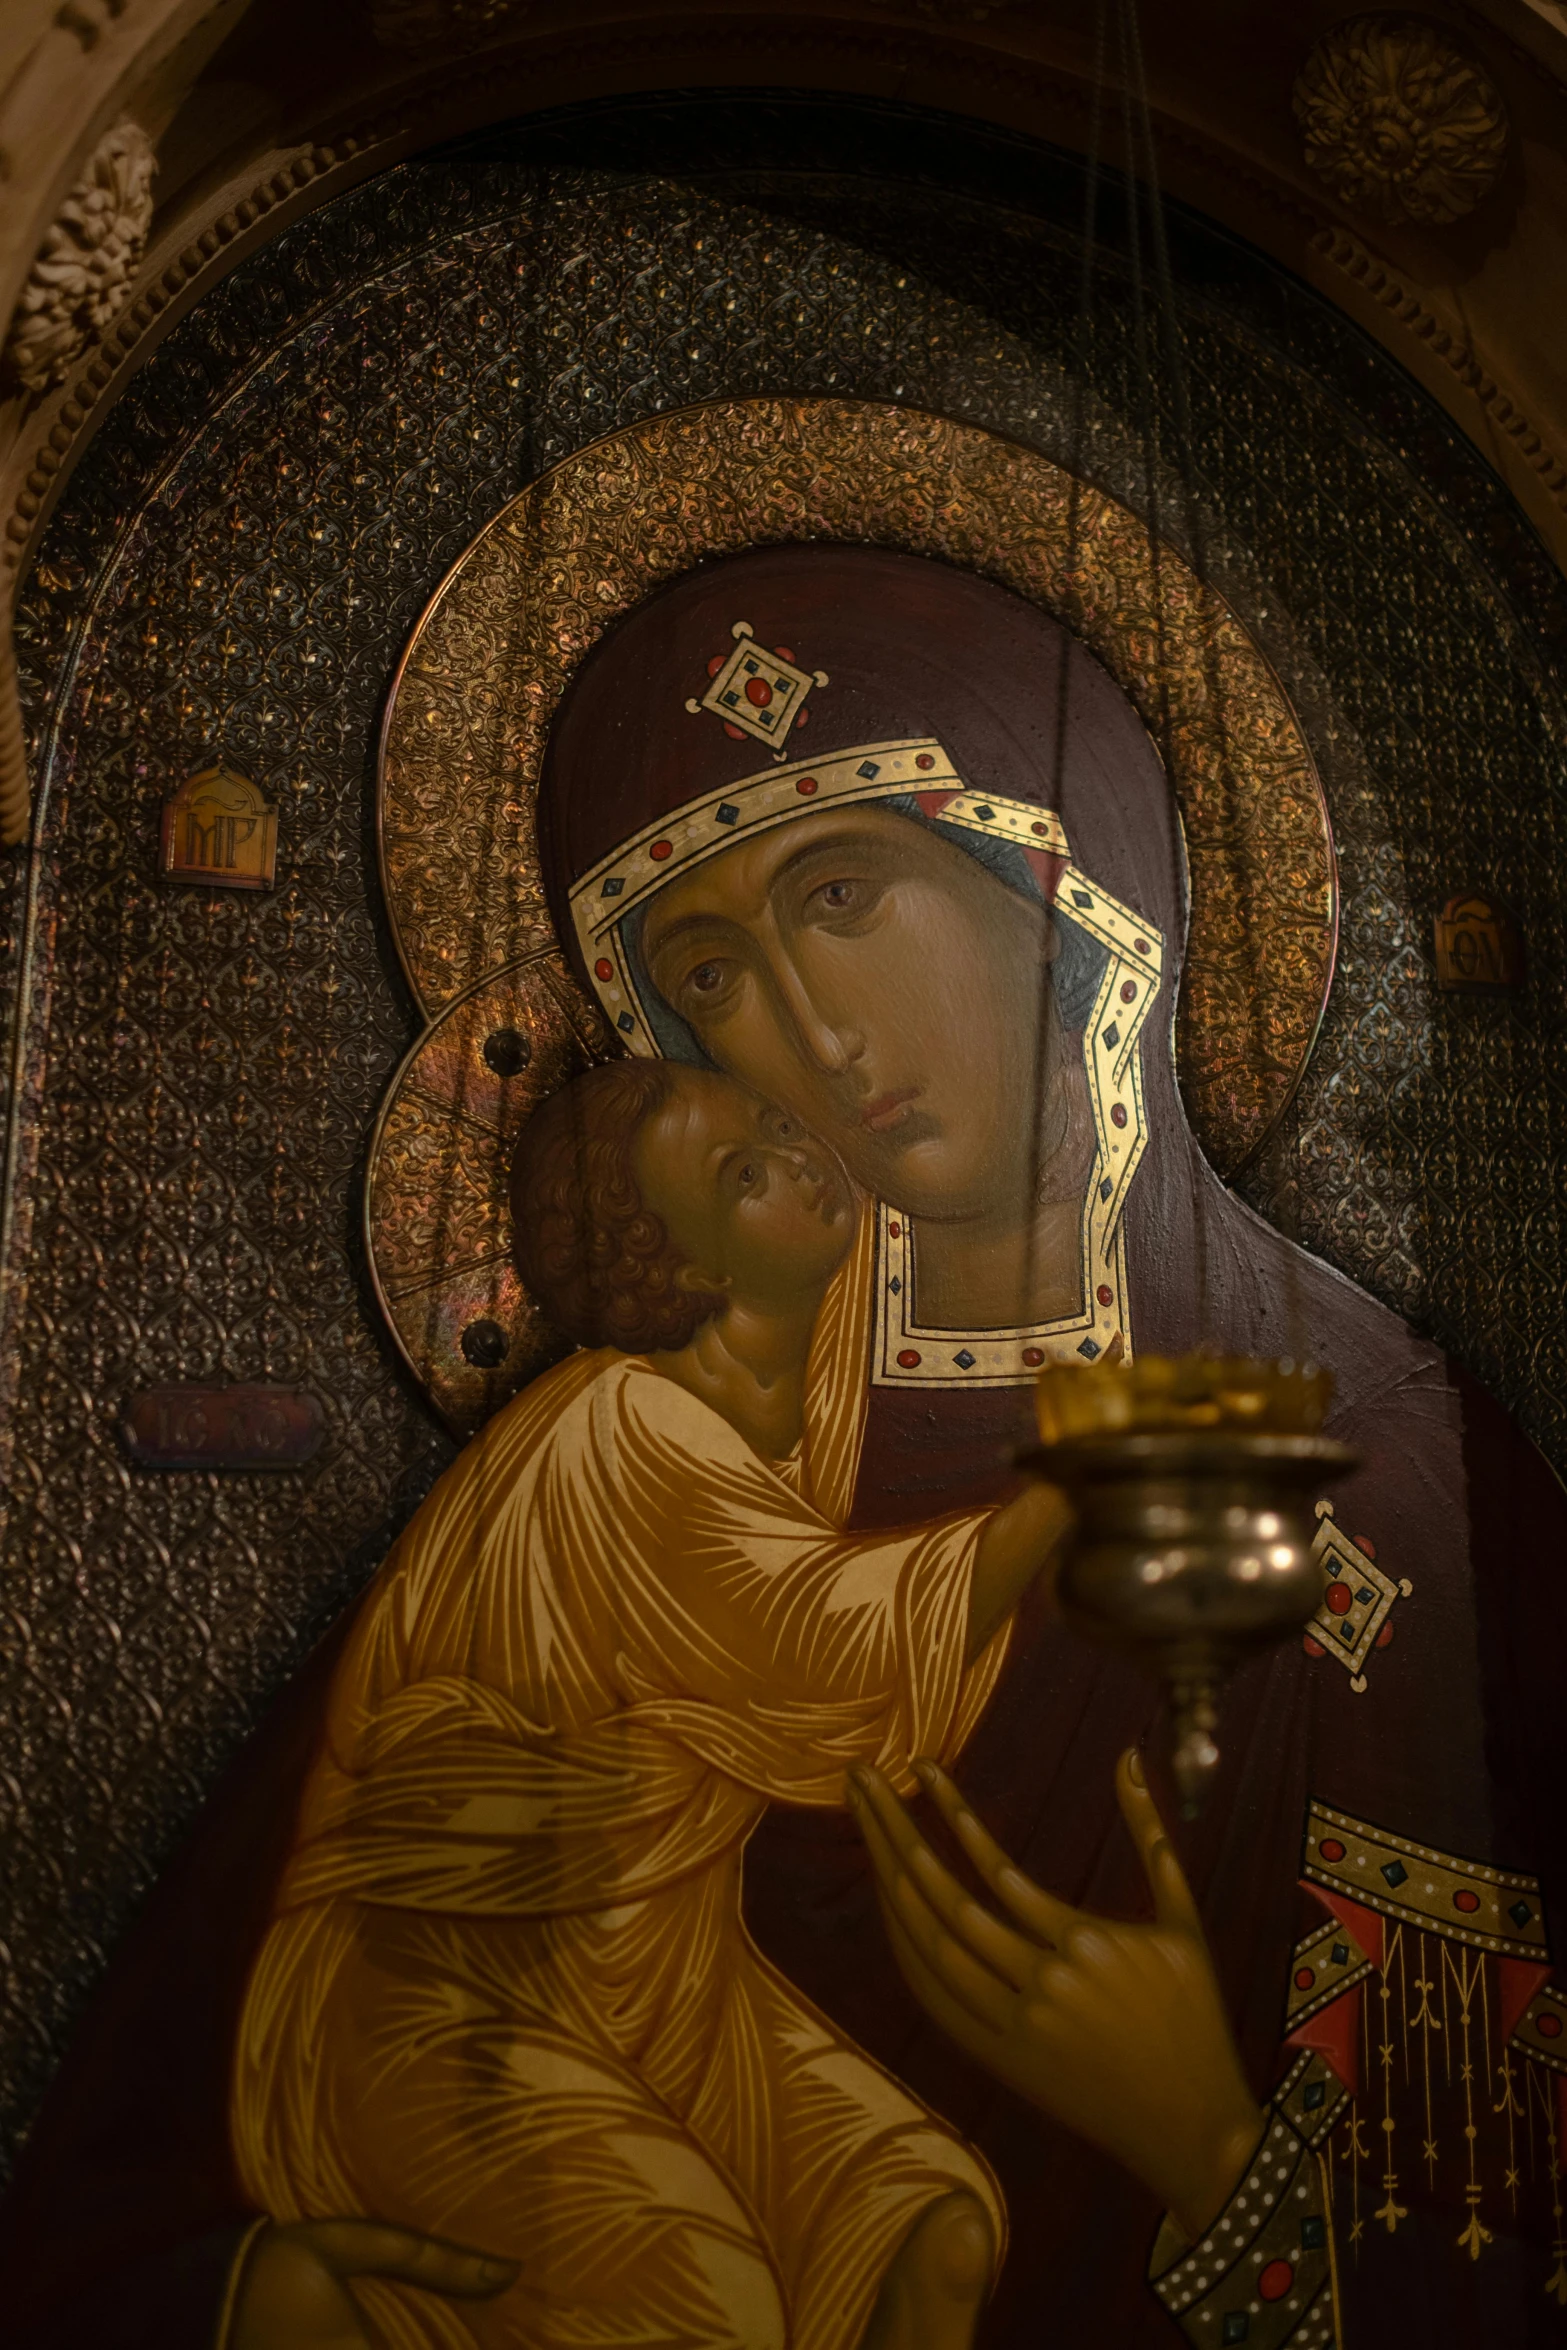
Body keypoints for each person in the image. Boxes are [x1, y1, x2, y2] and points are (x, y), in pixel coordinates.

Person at [5, 542, 1566, 2350]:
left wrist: (1204, 2142)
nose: (812, 1035)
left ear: (1063, 889)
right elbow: (134, 2200)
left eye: (841, 892)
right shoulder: (628, 1460)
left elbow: (1501, 2257)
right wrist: (270, 2296)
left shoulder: (1385, 1482)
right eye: (712, 971)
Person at [230, 1055, 1074, 2350]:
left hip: (661, 1979)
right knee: (708, 2313)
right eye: (745, 1177)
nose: (801, 1162)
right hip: (458, 1999)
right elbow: (825, 1647)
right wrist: (1073, 1486)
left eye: (782, 1130)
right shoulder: (625, 1422)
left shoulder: (802, 1372)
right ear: (692, 1268)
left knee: (931, 2224)